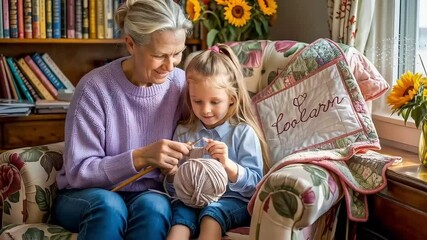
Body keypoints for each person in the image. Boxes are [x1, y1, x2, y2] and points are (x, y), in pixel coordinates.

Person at [51, 0, 193, 239]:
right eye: (160, 55)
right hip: (87, 195)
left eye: (178, 53)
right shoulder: (94, 88)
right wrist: (142, 157)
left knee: (155, 207)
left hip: (148, 194)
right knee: (109, 207)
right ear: (131, 44)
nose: (170, 66)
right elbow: (78, 172)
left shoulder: (181, 84)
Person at [165, 44, 270, 240]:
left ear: (231, 99)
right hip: (191, 201)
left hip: (231, 201)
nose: (205, 110)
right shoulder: (184, 131)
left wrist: (229, 165)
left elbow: (256, 187)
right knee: (180, 218)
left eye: (214, 102)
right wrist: (172, 175)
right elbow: (175, 192)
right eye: (197, 101)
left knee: (211, 216)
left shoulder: (242, 133)